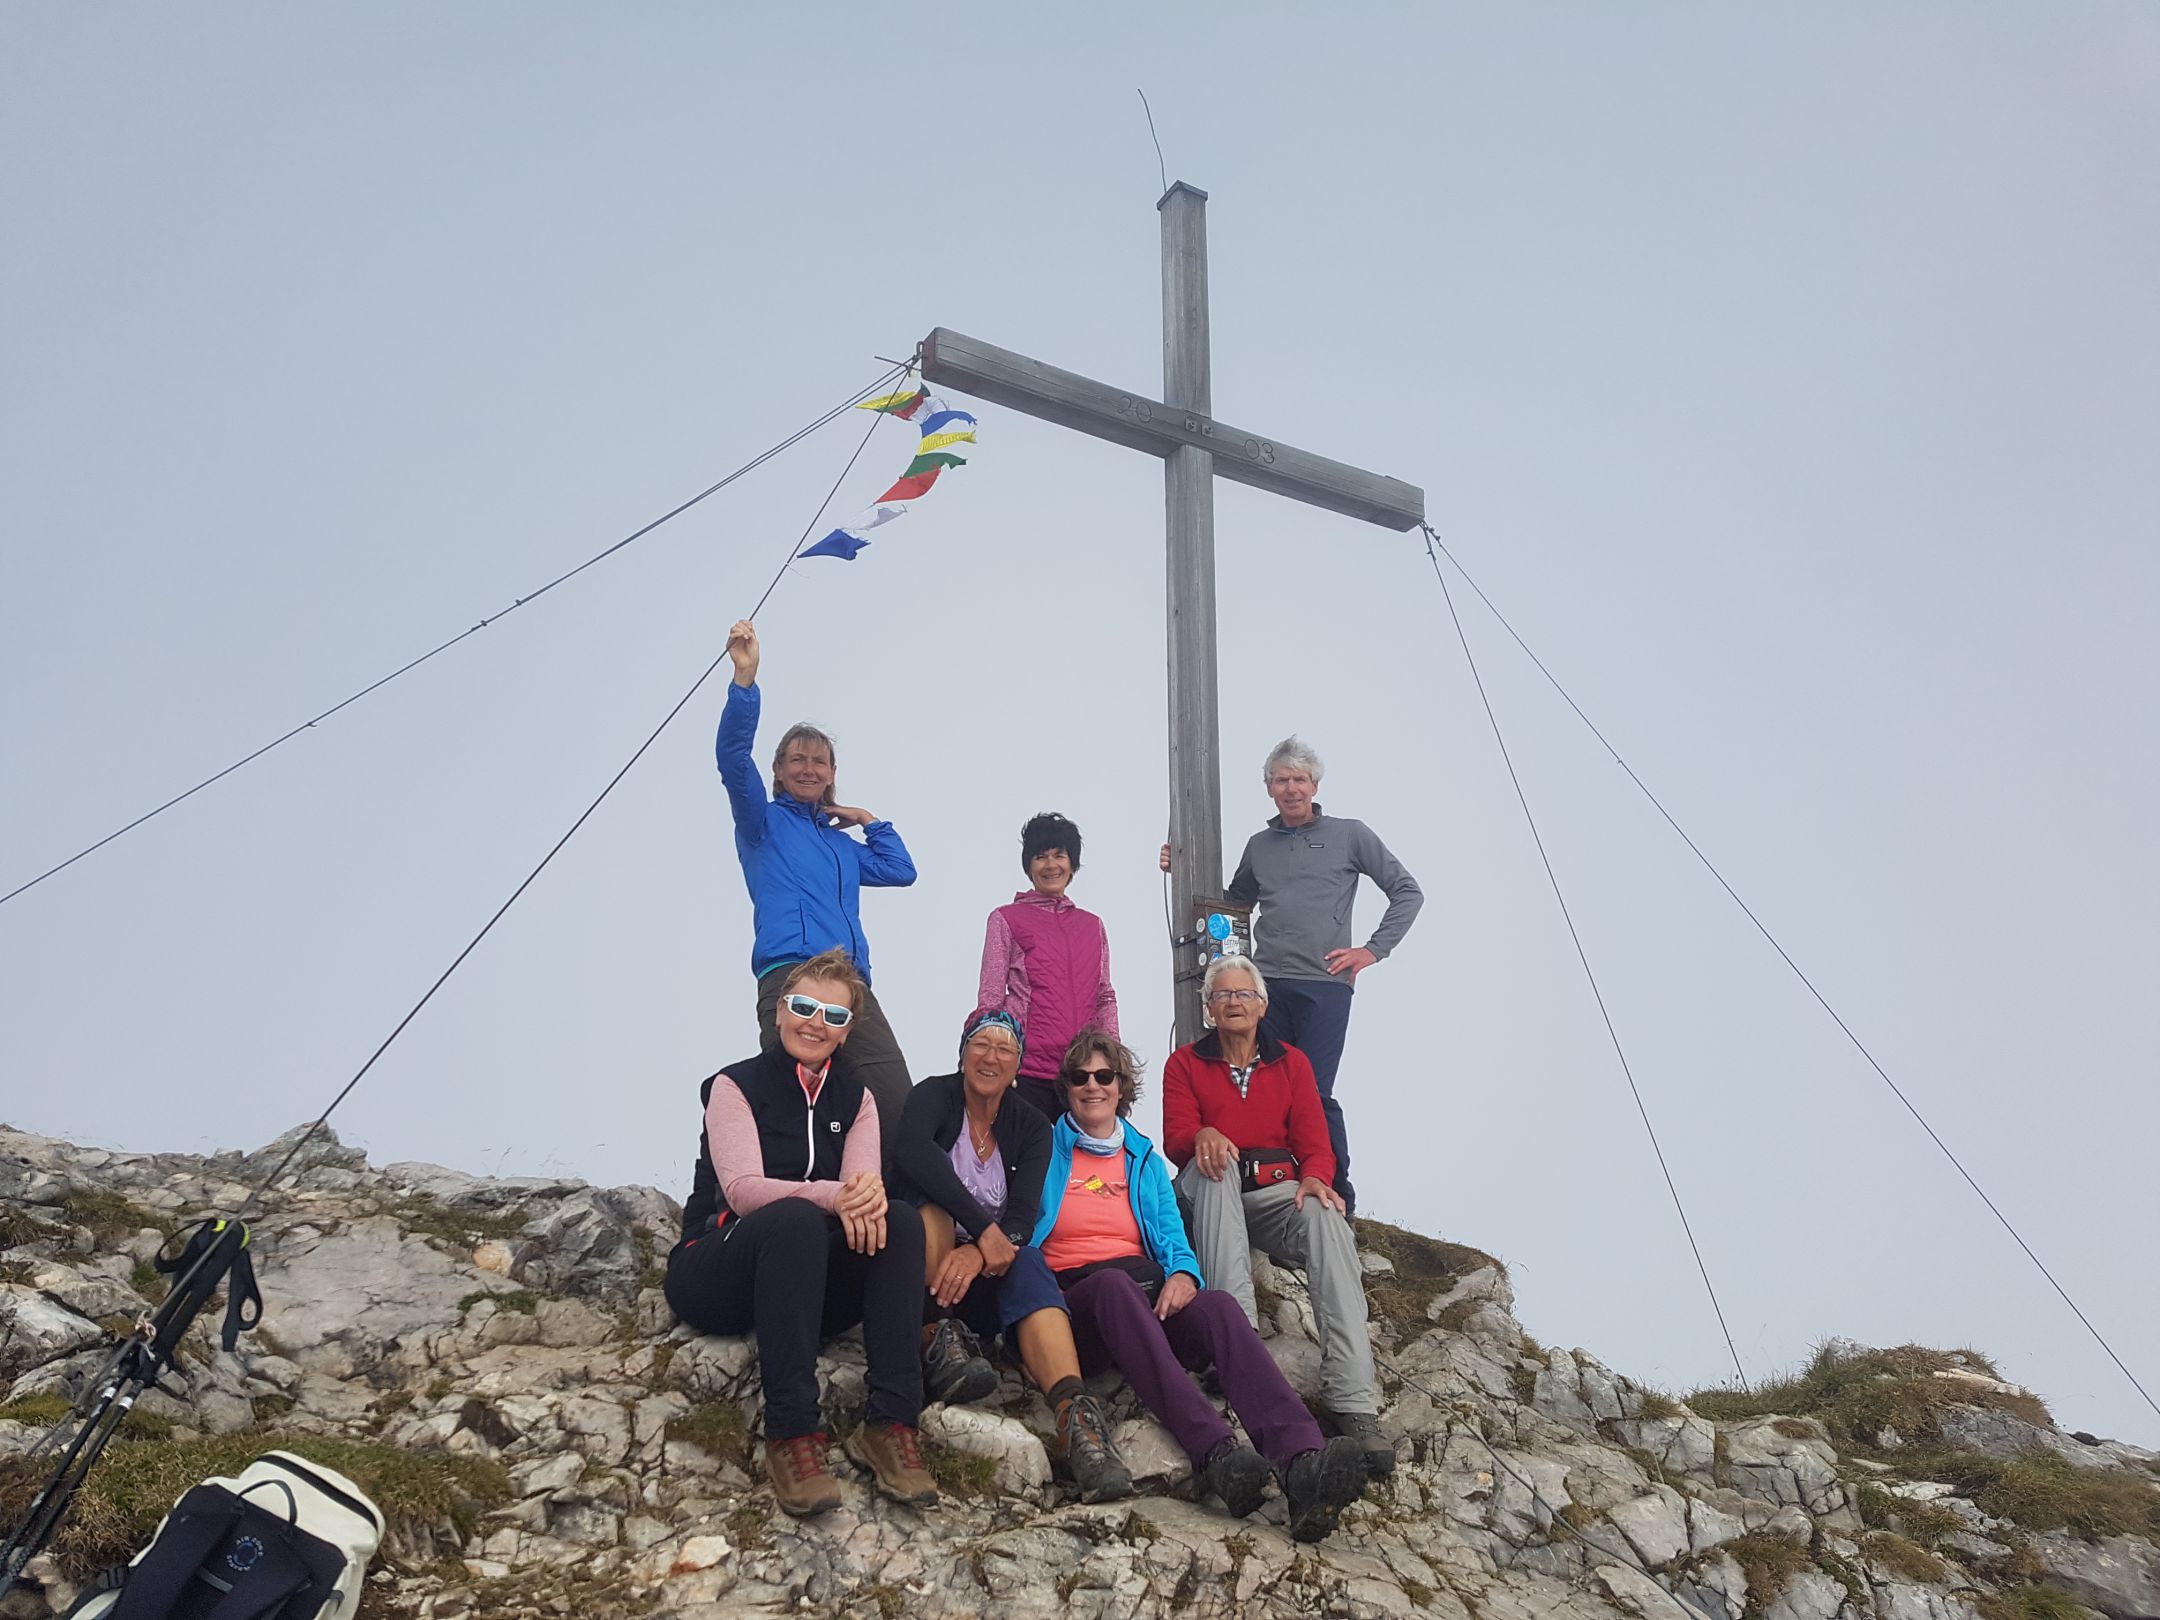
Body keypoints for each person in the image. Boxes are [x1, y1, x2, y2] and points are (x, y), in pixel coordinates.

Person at [1032, 1030, 1368, 1542]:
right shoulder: (1044, 1148)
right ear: (1068, 1088)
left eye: (1105, 1076)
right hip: (1075, 1304)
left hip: (1142, 1296)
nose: (1092, 1086)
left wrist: (1185, 1275)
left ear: (1122, 1087)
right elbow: (1019, 1224)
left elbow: (1170, 1233)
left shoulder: (1141, 1158)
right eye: (1080, 1078)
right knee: (1113, 1287)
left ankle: (1303, 1463)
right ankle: (1215, 1452)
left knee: (1217, 1308)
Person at [663, 949, 935, 1516]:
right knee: (795, 1218)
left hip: (805, 1287)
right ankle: (792, 1437)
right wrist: (834, 1195)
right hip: (719, 1271)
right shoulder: (732, 1085)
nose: (816, 1023)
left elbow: (861, 1191)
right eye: (805, 1006)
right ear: (781, 1010)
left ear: (847, 1032)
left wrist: (866, 1198)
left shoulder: (857, 1099)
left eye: (834, 1017)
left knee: (902, 1223)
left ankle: (891, 1426)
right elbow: (740, 1190)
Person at [1160, 736, 1421, 1213]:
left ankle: (1337, 1193)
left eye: (1300, 779)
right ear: (1269, 789)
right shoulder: (1260, 846)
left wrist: (1371, 951)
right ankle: (1269, 1186)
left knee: (1316, 1092)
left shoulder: (1350, 834)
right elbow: (1233, 905)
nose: (1292, 788)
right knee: (1264, 1084)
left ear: (1315, 784)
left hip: (1325, 986)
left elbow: (1407, 890)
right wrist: (1179, 866)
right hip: (1267, 986)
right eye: (1282, 780)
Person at [1163, 953, 1393, 1478]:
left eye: (1244, 994)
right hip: (1210, 1190)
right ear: (1208, 1010)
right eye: (1222, 995)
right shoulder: (1185, 1063)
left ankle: (1353, 1398)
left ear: (1263, 1005)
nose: (1234, 1003)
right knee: (1215, 1168)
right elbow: (1177, 1138)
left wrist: (1316, 1177)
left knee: (1326, 1216)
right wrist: (1203, 1134)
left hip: (1271, 1193)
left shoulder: (1291, 1062)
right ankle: (1236, 1345)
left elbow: (1315, 1140)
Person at [890, 1009, 1133, 1502]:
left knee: (1029, 1261)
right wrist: (982, 1230)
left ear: (1018, 1063)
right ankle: (937, 1339)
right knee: (931, 1211)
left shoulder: (1029, 1125)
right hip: (922, 1276)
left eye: (1005, 1048)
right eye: (981, 1044)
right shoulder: (933, 1097)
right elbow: (914, 1155)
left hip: (982, 1277)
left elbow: (1022, 1216)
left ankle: (1076, 1420)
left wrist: (982, 1254)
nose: (991, 1056)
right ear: (963, 1054)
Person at [717, 619, 918, 1147]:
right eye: (797, 759)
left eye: (819, 761)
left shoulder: (840, 847)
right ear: (779, 772)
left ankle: (895, 1213)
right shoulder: (761, 825)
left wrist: (867, 818)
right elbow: (733, 761)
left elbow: (901, 871)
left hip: (849, 983)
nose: (809, 768)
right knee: (792, 1103)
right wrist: (745, 683)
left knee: (893, 1100)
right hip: (791, 972)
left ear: (832, 773)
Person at [978, 812, 1120, 1118]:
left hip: (1082, 1074)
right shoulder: (1006, 918)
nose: (1051, 865)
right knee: (1032, 1163)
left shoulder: (1092, 924)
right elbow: (990, 998)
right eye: (1040, 857)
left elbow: (1104, 995)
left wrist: (1112, 1057)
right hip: (1026, 1071)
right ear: (1029, 866)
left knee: (1088, 1165)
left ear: (1072, 865)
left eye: (1060, 855)